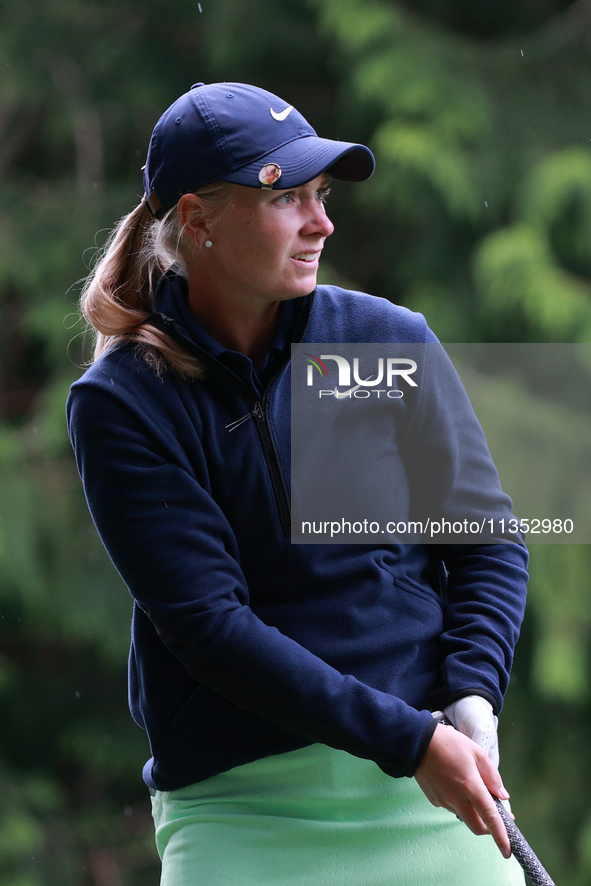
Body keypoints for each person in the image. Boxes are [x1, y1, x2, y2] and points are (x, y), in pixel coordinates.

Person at [67, 81, 528, 886]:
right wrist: (410, 742)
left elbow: (486, 539)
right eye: (289, 199)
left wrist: (473, 697)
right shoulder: (123, 403)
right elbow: (213, 629)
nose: (323, 223)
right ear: (198, 219)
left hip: (430, 785)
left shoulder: (386, 340)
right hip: (239, 808)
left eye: (322, 196)